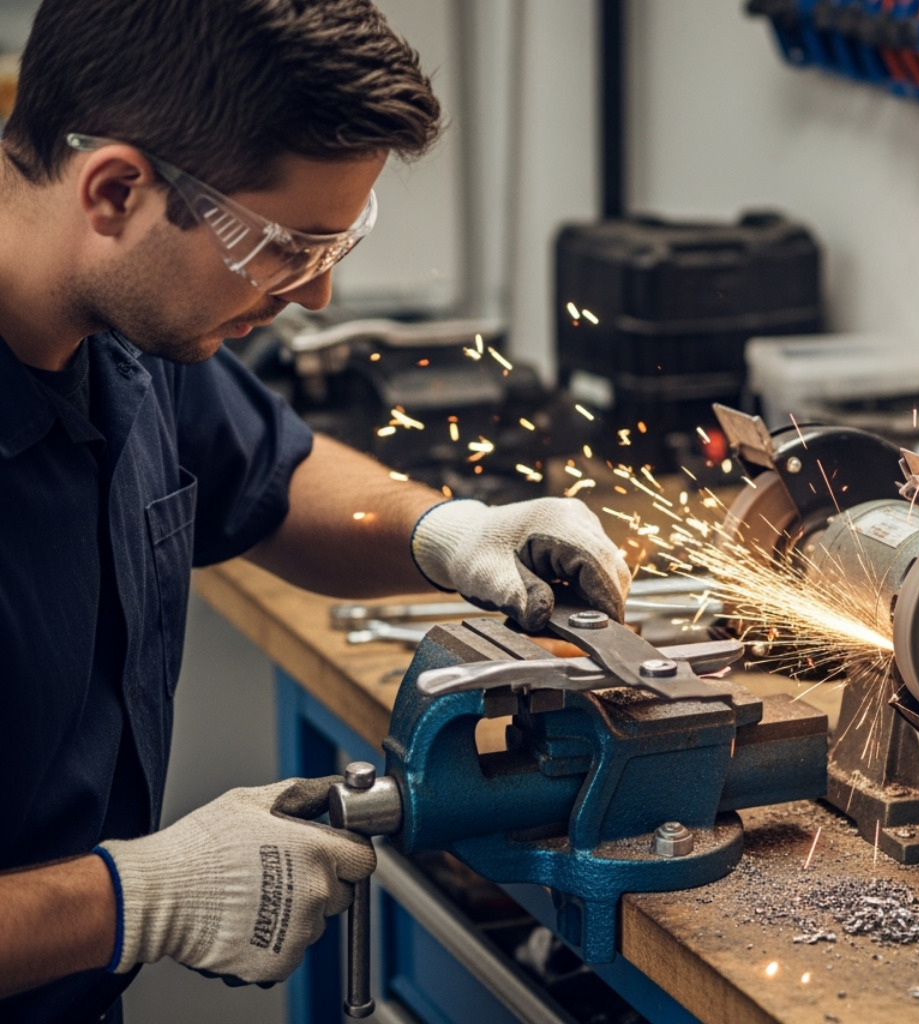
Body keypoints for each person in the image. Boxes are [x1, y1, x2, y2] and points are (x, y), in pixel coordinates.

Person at [0, 1, 631, 1020]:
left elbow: (273, 479)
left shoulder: (122, 325)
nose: (320, 295)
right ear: (116, 190)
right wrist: (138, 897)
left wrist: (454, 532)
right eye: (285, 246)